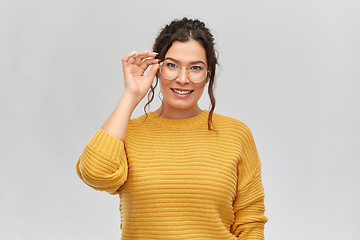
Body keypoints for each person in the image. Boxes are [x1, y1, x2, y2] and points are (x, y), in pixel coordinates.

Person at [76, 17, 268, 239]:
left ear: (208, 75)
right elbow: (95, 174)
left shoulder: (236, 134)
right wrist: (131, 96)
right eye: (172, 65)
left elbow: (250, 220)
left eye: (196, 68)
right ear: (157, 69)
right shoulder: (126, 134)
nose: (183, 78)